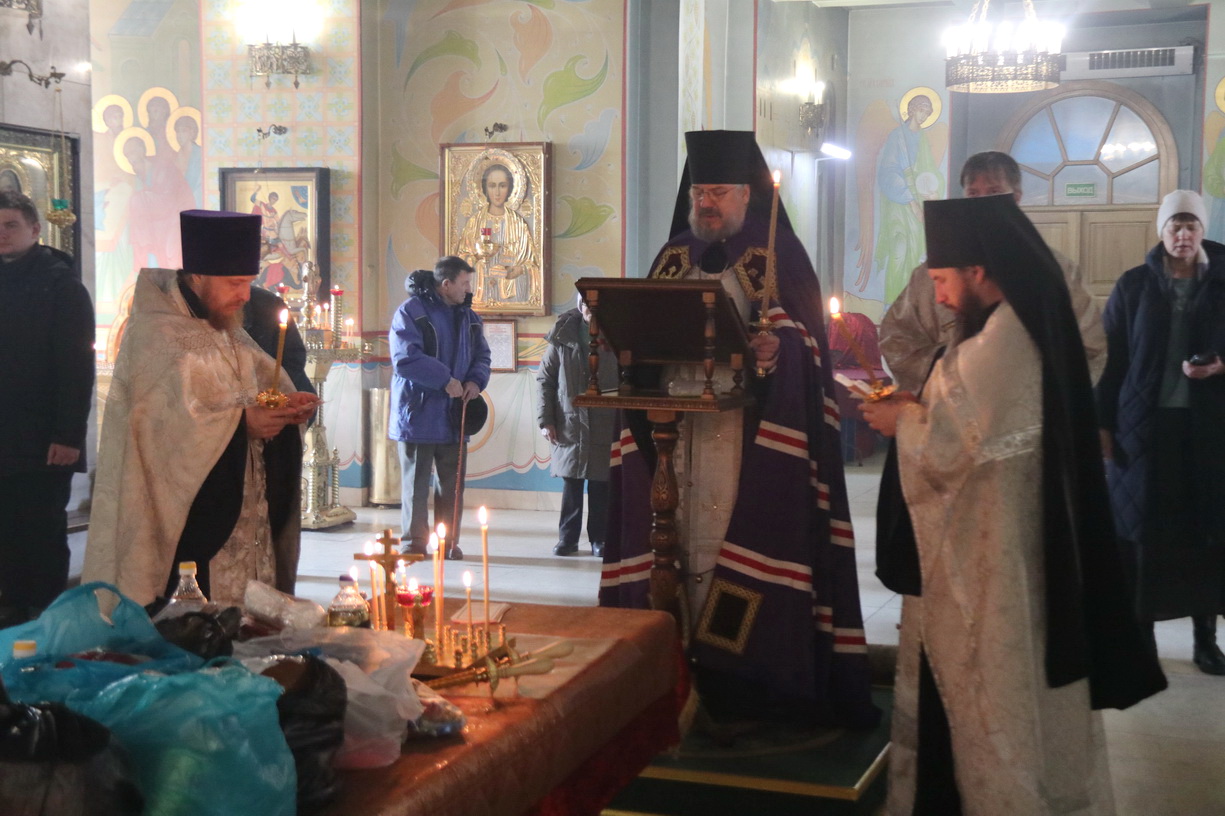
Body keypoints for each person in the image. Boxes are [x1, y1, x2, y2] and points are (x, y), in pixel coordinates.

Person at [862, 194, 1165, 814]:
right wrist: (919, 406)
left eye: (943, 281)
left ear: (977, 271)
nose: (940, 297)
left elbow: (948, 447)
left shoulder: (1005, 338)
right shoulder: (1025, 320)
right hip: (1019, 540)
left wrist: (899, 420)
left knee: (993, 690)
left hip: (993, 556)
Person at [600, 130, 879, 728]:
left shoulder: (780, 255)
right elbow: (641, 332)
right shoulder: (673, 255)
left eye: (719, 192)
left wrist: (778, 350)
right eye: (699, 192)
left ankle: (740, 679)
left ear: (747, 194)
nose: (706, 202)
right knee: (672, 542)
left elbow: (806, 344)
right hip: (674, 432)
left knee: (730, 538)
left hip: (744, 439)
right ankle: (674, 666)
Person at [84, 210, 318, 607]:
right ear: (198, 277)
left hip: (247, 510)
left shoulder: (225, 327)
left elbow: (258, 387)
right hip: (193, 519)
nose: (245, 295)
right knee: (198, 618)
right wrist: (242, 424)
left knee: (250, 617)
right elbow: (156, 428)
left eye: (248, 282)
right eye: (234, 283)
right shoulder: (157, 334)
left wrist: (285, 405)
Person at [1097, 190, 1225, 675]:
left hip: (1207, 429)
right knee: (1144, 537)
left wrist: (1220, 365)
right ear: (1162, 231)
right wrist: (1102, 424)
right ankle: (1142, 639)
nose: (1184, 235)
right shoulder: (1133, 285)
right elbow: (1109, 359)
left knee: (1204, 534)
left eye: (1192, 226)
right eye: (1175, 225)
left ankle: (1205, 640)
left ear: (1203, 231)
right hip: (1143, 430)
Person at [880, 151, 1106, 392]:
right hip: (950, 399)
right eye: (973, 193)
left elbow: (1088, 346)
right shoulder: (934, 271)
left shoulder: (1055, 270)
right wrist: (953, 364)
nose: (981, 203)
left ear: (1015, 197)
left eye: (994, 192)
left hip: (1027, 402)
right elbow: (897, 339)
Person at [0, 192, 94, 627]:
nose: (2, 234)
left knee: (40, 531)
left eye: (11, 225)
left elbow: (76, 368)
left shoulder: (61, 285)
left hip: (44, 438)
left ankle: (46, 618)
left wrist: (68, 436)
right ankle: (10, 615)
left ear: (36, 230)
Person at [390, 256, 491, 559]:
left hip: (454, 415)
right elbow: (405, 359)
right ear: (446, 284)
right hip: (418, 413)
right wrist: (445, 380)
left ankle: (448, 542)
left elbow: (482, 356)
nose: (468, 289)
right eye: (464, 283)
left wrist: (475, 382)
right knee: (416, 484)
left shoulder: (470, 318)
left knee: (452, 484)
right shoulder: (410, 312)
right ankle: (414, 542)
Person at [536, 292, 618, 557]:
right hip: (569, 421)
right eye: (585, 304)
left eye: (594, 305)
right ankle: (567, 539)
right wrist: (545, 420)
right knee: (571, 482)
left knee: (600, 483)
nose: (589, 310)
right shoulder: (563, 335)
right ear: (579, 305)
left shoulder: (616, 335)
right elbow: (546, 381)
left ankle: (600, 539)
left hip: (605, 420)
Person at [875, 93, 944, 303]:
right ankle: (891, 305)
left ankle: (912, 303)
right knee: (899, 251)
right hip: (899, 204)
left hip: (918, 201)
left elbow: (930, 170)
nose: (924, 116)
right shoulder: (897, 137)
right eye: (922, 110)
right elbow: (887, 172)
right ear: (912, 109)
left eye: (928, 113)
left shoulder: (921, 139)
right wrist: (910, 201)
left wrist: (934, 189)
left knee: (916, 253)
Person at [458, 162, 539, 305]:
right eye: (492, 185)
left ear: (510, 188)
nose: (497, 192)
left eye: (502, 186)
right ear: (484, 188)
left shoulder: (518, 224)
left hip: (511, 296)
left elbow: (533, 265)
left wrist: (516, 271)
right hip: (480, 293)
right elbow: (460, 259)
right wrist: (478, 263)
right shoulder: (474, 223)